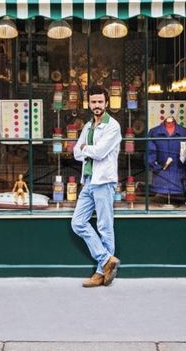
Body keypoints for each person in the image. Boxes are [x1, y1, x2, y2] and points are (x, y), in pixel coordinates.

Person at [72, 85, 122, 288]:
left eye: (100, 102)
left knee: (104, 227)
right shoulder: (88, 126)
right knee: (77, 223)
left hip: (104, 182)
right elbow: (76, 152)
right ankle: (106, 259)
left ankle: (102, 274)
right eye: (93, 102)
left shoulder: (113, 126)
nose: (97, 105)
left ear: (106, 103)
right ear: (89, 104)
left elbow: (100, 152)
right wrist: (85, 149)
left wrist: (85, 148)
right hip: (88, 181)